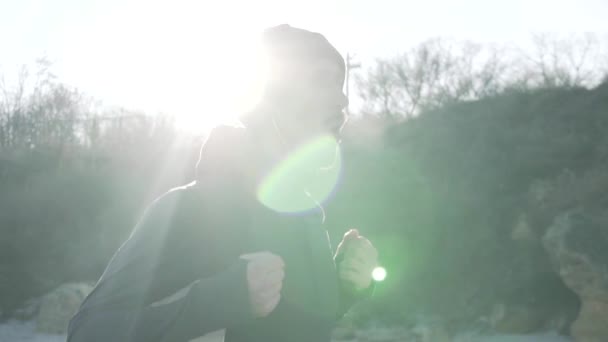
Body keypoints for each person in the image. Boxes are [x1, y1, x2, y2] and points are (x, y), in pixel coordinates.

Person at [67, 24, 379, 342]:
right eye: (322, 81)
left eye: (341, 85)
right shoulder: (193, 210)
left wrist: (345, 289)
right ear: (272, 100)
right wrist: (215, 302)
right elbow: (87, 333)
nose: (342, 100)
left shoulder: (306, 218)